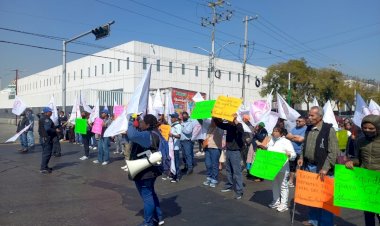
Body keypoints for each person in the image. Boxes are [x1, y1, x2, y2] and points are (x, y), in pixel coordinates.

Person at [297, 106, 339, 226]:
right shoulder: (309, 129)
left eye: (312, 115)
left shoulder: (328, 130)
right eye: (308, 115)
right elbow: (304, 146)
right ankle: (313, 221)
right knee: (312, 196)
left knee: (325, 199)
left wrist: (326, 168)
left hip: (322, 168)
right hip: (309, 167)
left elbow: (333, 151)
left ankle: (325, 223)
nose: (309, 118)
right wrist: (301, 158)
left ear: (320, 117)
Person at [127, 114, 164, 226]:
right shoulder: (155, 132)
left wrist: (131, 121)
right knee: (151, 194)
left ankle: (148, 223)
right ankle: (158, 217)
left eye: (142, 122)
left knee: (147, 197)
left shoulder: (146, 135)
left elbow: (132, 135)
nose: (140, 123)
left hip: (144, 171)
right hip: (151, 170)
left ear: (147, 124)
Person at [345, 114, 380, 226]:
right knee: (368, 213)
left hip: (378, 183)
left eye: (371, 128)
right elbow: (358, 159)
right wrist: (352, 162)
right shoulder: (360, 141)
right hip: (366, 182)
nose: (367, 130)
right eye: (364, 128)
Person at [265, 126, 296, 212]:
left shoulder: (286, 142)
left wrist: (290, 155)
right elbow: (267, 150)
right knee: (274, 184)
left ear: (281, 133)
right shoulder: (270, 140)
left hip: (283, 168)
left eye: (276, 131)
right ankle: (276, 201)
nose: (274, 132)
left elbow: (293, 155)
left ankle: (284, 204)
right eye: (273, 131)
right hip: (272, 167)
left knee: (283, 185)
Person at [214, 114, 244, 200]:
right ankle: (229, 185)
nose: (229, 119)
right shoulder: (228, 125)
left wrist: (235, 121)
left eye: (231, 118)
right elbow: (220, 125)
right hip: (229, 150)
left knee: (237, 172)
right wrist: (215, 117)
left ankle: (239, 191)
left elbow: (241, 131)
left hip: (235, 151)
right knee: (228, 169)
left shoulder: (238, 125)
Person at [201, 118, 224, 188]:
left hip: (215, 148)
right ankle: (209, 177)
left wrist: (218, 124)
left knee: (214, 164)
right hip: (208, 148)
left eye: (212, 121)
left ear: (216, 122)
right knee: (208, 164)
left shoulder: (220, 128)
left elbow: (220, 134)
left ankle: (214, 179)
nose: (211, 122)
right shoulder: (209, 127)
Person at [286, 116, 307, 187]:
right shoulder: (294, 128)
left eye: (299, 121)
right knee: (292, 167)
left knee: (300, 168)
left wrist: (292, 137)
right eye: (297, 121)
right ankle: (291, 181)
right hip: (292, 151)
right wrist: (296, 137)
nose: (297, 122)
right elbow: (287, 136)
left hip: (300, 152)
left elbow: (300, 140)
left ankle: (301, 183)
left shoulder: (306, 129)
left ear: (304, 122)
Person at [38, 107, 60, 174]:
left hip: (45, 138)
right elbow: (47, 129)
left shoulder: (44, 118)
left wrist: (55, 127)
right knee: (46, 154)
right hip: (46, 138)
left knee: (47, 153)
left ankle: (45, 166)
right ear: (47, 112)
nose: (51, 113)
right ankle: (43, 168)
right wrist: (55, 130)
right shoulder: (46, 119)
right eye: (50, 111)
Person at [169, 112, 182, 183]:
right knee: (172, 161)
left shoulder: (178, 126)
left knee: (176, 162)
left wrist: (172, 135)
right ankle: (173, 174)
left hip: (175, 147)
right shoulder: (173, 125)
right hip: (172, 146)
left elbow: (179, 136)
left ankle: (177, 176)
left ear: (176, 118)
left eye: (172, 117)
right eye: (171, 117)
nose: (171, 119)